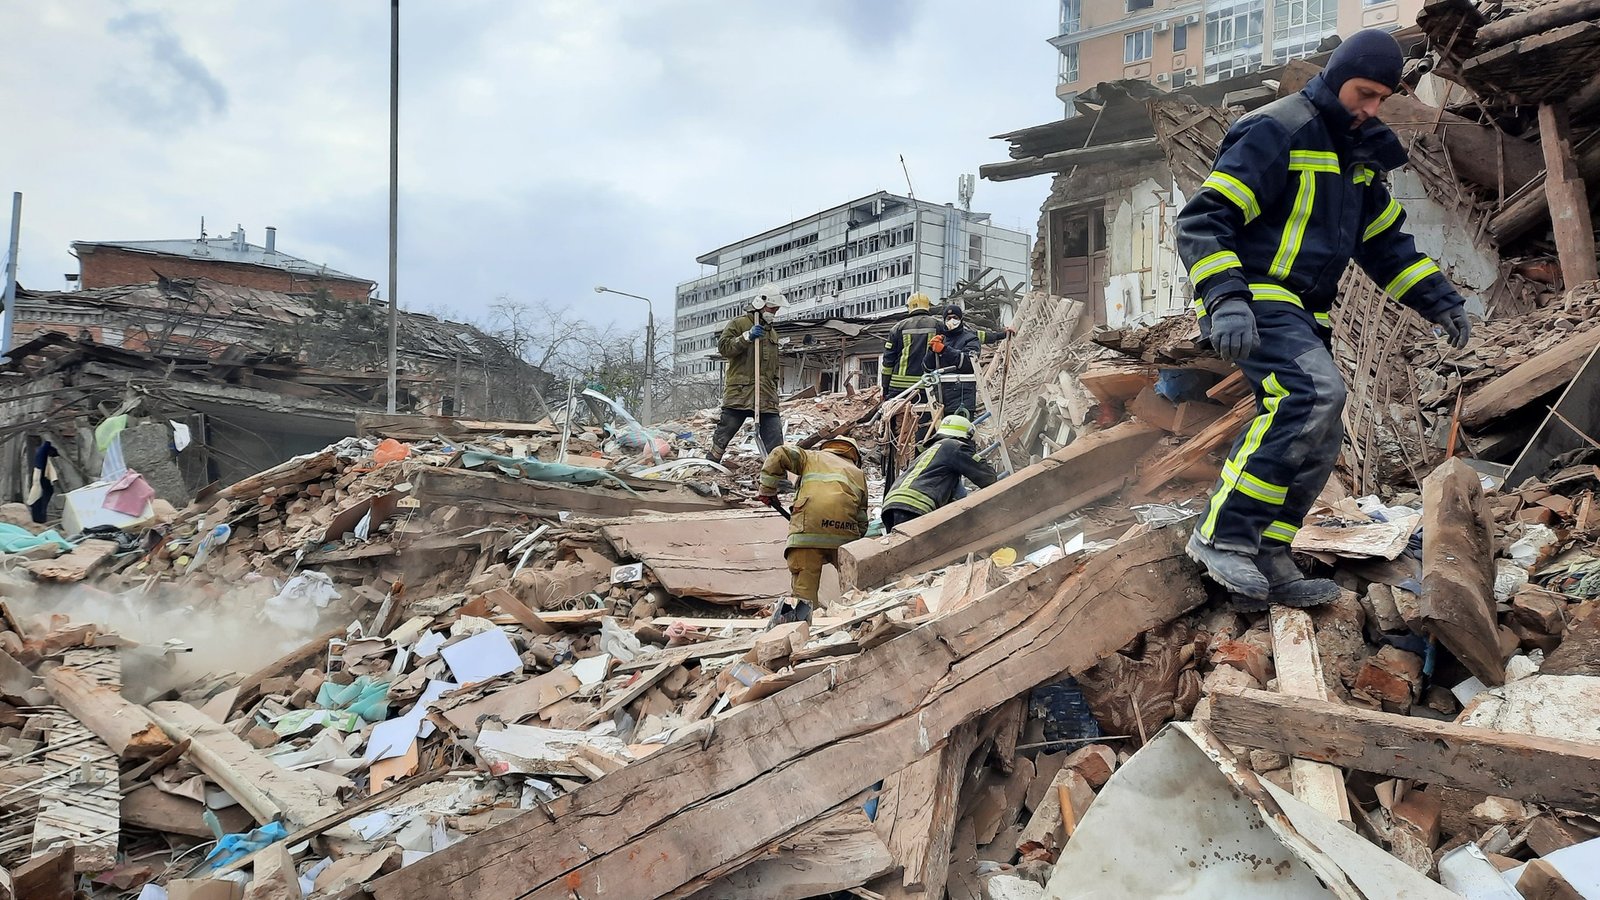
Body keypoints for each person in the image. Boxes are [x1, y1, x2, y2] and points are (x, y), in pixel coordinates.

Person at [1175, 29, 1472, 612]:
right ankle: (1220, 535)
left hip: (1305, 311)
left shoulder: (1358, 157)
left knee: (1320, 426)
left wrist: (1440, 300)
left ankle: (1267, 551)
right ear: (1337, 76)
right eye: (1364, 93)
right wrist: (1224, 297)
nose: (1370, 109)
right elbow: (1203, 221)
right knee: (1313, 393)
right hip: (1256, 295)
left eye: (1382, 99)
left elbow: (1385, 244)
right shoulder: (1278, 130)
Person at [756, 436, 869, 627]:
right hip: (844, 536)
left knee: (804, 593)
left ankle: (805, 631)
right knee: (853, 588)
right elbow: (862, 518)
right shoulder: (858, 473)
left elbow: (779, 453)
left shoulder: (811, 457)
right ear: (854, 455)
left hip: (806, 533)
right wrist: (856, 542)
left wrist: (767, 489)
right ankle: (856, 625)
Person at [880, 415, 998, 532]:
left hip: (892, 505)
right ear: (966, 436)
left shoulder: (931, 453)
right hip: (916, 504)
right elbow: (988, 477)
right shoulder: (954, 446)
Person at [710, 283, 784, 464]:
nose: (774, 312)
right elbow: (724, 348)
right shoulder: (739, 323)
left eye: (776, 309)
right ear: (761, 304)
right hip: (740, 392)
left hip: (766, 395)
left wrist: (774, 389)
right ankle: (711, 463)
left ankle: (778, 477)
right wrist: (746, 337)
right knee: (726, 430)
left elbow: (774, 367)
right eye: (772, 308)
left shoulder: (772, 333)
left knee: (775, 437)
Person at [924, 306, 1012, 417]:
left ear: (960, 319)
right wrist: (931, 351)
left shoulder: (970, 338)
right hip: (940, 401)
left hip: (961, 399)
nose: (952, 320)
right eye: (948, 318)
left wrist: (944, 350)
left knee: (959, 433)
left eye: (955, 317)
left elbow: (968, 363)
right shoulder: (942, 339)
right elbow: (927, 368)